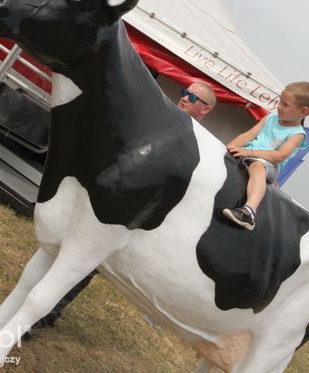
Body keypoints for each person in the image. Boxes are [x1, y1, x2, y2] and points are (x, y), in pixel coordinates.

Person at [26, 81, 217, 337]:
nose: (184, 98)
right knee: (65, 250)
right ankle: (34, 300)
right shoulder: (162, 116)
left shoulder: (201, 149)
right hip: (107, 199)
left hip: (134, 218)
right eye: (185, 92)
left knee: (83, 266)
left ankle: (44, 315)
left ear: (205, 110)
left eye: (192, 97)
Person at [222, 81, 309, 230]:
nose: (279, 106)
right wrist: (227, 148)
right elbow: (249, 135)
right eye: (280, 101)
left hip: (269, 164)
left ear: (303, 112)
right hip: (249, 154)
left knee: (257, 166)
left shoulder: (297, 134)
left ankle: (249, 211)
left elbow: (280, 155)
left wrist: (249, 152)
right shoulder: (271, 118)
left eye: (285, 105)